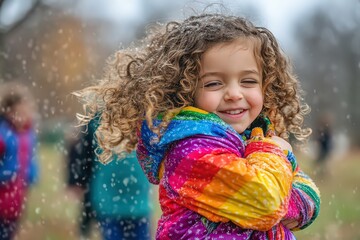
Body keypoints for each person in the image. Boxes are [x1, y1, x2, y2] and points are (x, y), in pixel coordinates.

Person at [75, 13, 321, 239]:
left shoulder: (254, 139)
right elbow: (267, 204)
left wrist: (278, 191)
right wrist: (274, 154)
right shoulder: (191, 152)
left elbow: (307, 206)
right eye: (214, 83)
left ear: (265, 86)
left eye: (248, 80)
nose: (234, 93)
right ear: (184, 91)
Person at [66, 116, 152, 240]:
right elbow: (83, 154)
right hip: (109, 203)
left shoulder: (143, 117)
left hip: (139, 203)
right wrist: (76, 181)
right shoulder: (96, 120)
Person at [0, 82, 39, 240]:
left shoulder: (29, 134)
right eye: (18, 113)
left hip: (17, 196)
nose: (23, 117)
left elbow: (31, 161)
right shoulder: (3, 135)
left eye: (26, 112)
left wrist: (32, 176)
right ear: (8, 112)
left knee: (10, 231)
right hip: (3, 192)